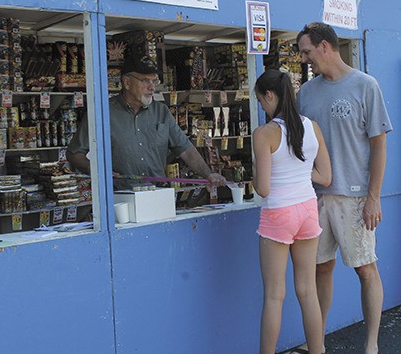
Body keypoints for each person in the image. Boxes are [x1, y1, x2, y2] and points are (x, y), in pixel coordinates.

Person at [293, 22, 393, 354]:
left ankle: (371, 345)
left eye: (307, 52)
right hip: (315, 198)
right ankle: (316, 343)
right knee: (321, 268)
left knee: (366, 268)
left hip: (355, 198)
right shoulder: (305, 93)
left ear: (325, 46)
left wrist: (373, 197)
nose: (305, 59)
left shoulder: (366, 86)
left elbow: (379, 146)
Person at [253, 69, 332, 354]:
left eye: (261, 100)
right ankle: (318, 350)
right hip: (308, 210)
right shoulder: (312, 127)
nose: (261, 106)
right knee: (307, 290)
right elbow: (325, 177)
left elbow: (263, 188)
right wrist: (299, 171)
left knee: (275, 295)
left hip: (278, 214)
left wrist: (260, 174)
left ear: (270, 95)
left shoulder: (264, 134)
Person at [66, 54, 226, 190]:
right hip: (120, 198)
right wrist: (97, 170)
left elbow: (185, 149)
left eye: (154, 81)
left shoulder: (161, 112)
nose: (152, 87)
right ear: (127, 82)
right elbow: (74, 154)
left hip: (157, 194)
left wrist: (208, 174)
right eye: (145, 81)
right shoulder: (103, 113)